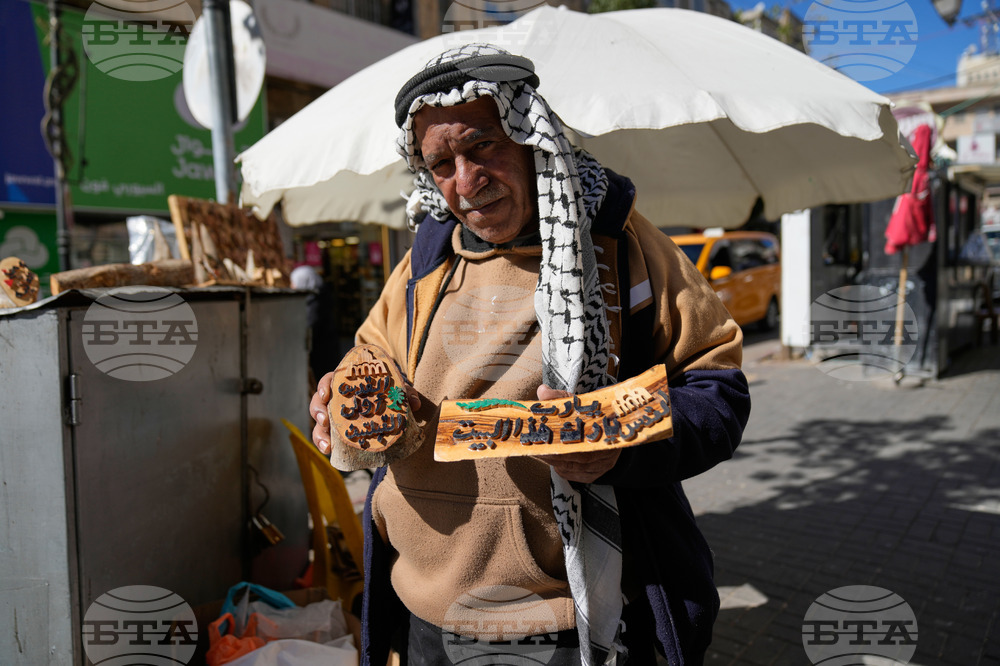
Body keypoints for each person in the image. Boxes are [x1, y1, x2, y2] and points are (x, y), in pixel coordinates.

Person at [310, 44, 750, 665]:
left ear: (528, 137)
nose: (466, 181)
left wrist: (616, 440)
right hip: (427, 612)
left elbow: (717, 391)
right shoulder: (423, 264)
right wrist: (345, 393)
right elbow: (370, 356)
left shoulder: (618, 243)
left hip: (569, 621)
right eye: (442, 163)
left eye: (483, 145)